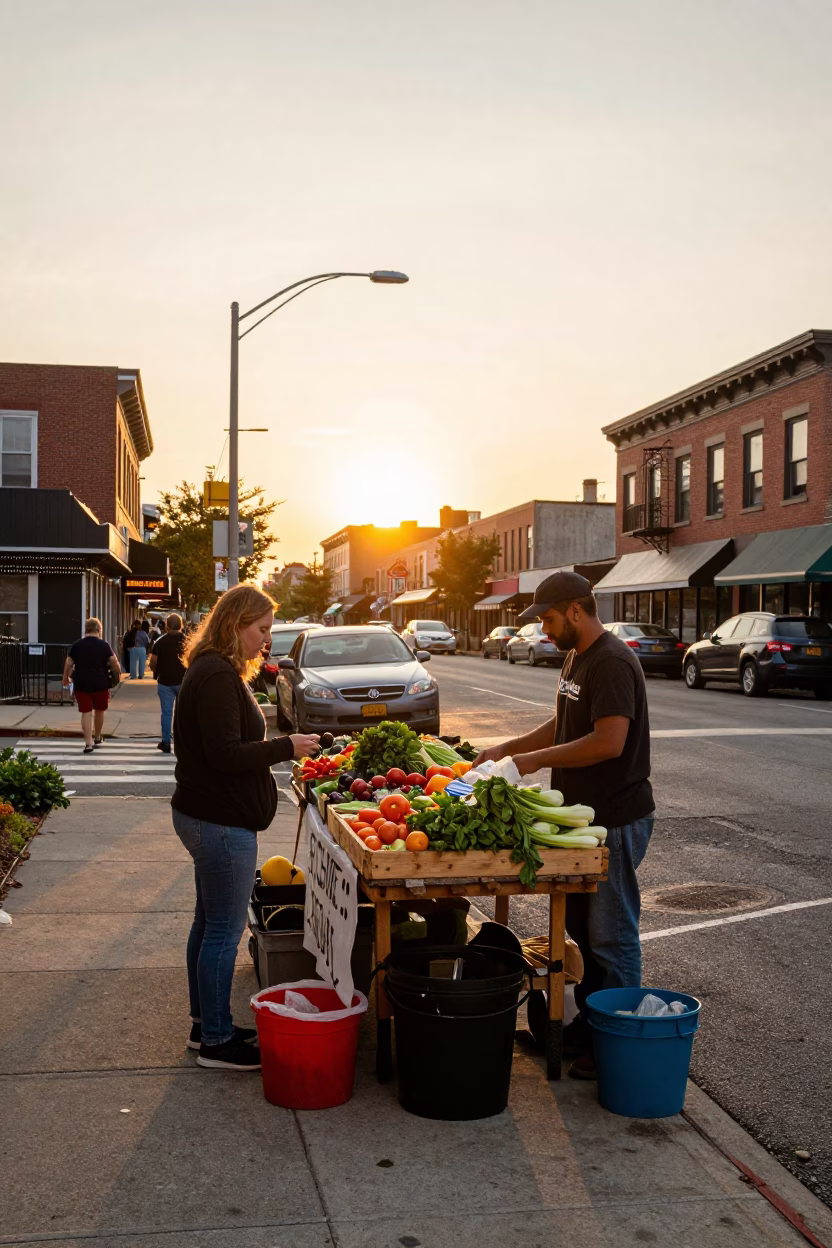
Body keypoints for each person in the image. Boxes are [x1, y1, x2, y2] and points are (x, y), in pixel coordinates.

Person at [472, 571, 654, 1080]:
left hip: (615, 819)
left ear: (576, 609)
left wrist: (529, 765)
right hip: (586, 823)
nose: (545, 630)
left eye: (549, 619)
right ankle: (591, 1026)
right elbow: (565, 721)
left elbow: (608, 741)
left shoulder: (613, 662)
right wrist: (510, 748)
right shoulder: (577, 657)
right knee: (580, 926)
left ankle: (616, 1041)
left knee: (611, 936)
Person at [171, 583, 320, 1071]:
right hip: (218, 823)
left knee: (207, 924)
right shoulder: (215, 675)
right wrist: (286, 746)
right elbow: (224, 754)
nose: (266, 640)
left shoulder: (215, 670)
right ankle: (216, 1040)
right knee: (222, 931)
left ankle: (204, 1025)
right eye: (261, 629)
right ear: (235, 624)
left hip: (209, 817)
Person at [62, 618, 121, 753]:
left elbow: (69, 663)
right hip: (100, 682)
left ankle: (88, 743)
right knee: (100, 710)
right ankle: (98, 737)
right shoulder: (104, 645)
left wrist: (65, 678)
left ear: (86, 629)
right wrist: (117, 674)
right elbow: (114, 662)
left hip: (81, 682)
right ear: (99, 630)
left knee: (86, 712)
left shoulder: (77, 645)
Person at [149, 613, 187, 754]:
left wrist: (156, 671)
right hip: (184, 681)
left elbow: (153, 661)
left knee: (166, 713)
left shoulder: (160, 641)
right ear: (181, 625)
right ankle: (183, 742)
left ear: (167, 626)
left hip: (165, 682)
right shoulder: (187, 641)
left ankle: (166, 742)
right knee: (183, 713)